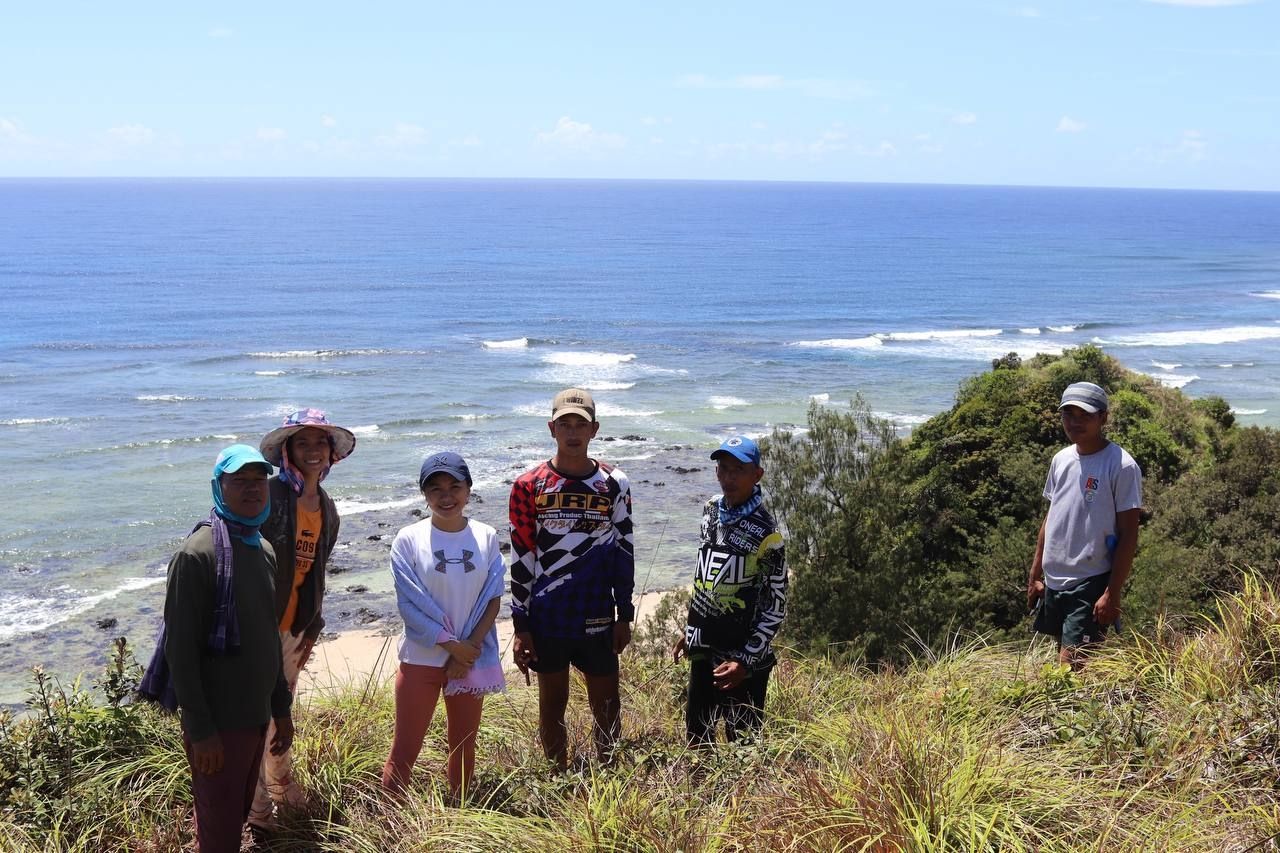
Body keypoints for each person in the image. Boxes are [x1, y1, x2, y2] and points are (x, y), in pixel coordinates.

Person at [160, 444, 293, 852]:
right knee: (219, 831)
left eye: (258, 481)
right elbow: (179, 653)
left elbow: (268, 638)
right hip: (220, 723)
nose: (252, 490)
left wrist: (281, 711)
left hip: (255, 716)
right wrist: (201, 732)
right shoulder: (197, 554)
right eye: (239, 481)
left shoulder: (262, 549)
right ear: (219, 487)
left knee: (231, 817)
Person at [509, 387, 635, 771]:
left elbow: (624, 550)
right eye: (565, 423)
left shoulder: (614, 483)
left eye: (580, 423)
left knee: (607, 706)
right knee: (551, 706)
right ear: (552, 428)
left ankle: (611, 778)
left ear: (594, 429)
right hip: (549, 617)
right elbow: (522, 554)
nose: (573, 431)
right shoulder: (529, 485)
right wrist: (521, 625)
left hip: (597, 612)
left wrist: (624, 613)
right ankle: (557, 780)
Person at [248, 409, 356, 827]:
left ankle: (280, 786)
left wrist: (312, 626)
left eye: (320, 443)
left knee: (282, 709)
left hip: (295, 630)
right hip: (260, 628)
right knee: (261, 714)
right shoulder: (269, 496)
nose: (313, 451)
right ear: (287, 452)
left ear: (331, 454)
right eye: (303, 443)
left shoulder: (327, 507)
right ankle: (258, 808)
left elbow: (315, 572)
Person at [381, 451, 505, 800]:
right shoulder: (408, 539)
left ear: (468, 490)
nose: (446, 496)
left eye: (455, 486)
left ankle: (460, 820)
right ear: (424, 494)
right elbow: (409, 605)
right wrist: (454, 647)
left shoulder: (486, 536)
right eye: (435, 489)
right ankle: (389, 825)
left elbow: (493, 596)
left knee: (464, 748)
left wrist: (468, 652)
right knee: (405, 750)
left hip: (469, 660)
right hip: (422, 660)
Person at [673, 436, 787, 745]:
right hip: (704, 648)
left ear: (757, 475)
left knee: (743, 745)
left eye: (739, 469)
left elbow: (775, 605)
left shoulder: (768, 533)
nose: (729, 477)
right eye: (723, 468)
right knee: (697, 740)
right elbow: (705, 574)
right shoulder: (711, 509)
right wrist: (692, 628)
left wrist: (745, 660)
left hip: (740, 661)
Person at [1027, 382, 1143, 669]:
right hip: (1054, 579)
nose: (1075, 422)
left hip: (1090, 580)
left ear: (1103, 417)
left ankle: (1074, 712)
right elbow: (1050, 518)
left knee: (1072, 668)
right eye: (1069, 414)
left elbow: (1129, 534)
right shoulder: (1061, 459)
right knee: (1063, 658)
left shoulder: (1121, 466)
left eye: (1085, 415)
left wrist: (1112, 592)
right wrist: (1035, 573)